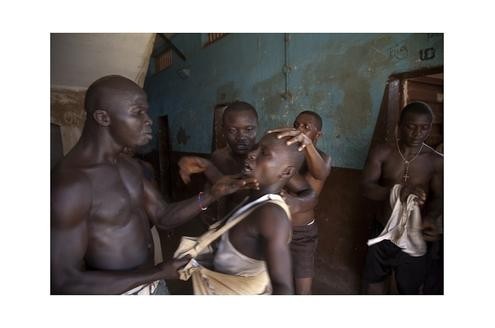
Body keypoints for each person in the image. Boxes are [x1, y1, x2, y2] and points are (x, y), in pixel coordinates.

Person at [50, 75, 257, 295]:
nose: (148, 120)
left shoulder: (130, 167)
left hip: (154, 285)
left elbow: (163, 216)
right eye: (138, 112)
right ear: (103, 117)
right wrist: (157, 272)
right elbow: (63, 281)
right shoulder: (71, 183)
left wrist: (212, 194)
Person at [176, 132, 305, 294]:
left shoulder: (271, 215)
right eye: (256, 148)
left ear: (286, 172)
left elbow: (283, 287)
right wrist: (207, 166)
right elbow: (226, 184)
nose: (251, 154)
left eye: (264, 154)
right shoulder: (253, 197)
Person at [361, 101, 443, 294]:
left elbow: (440, 197)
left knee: (410, 288)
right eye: (411, 126)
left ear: (430, 128)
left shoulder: (436, 161)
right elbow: (366, 188)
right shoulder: (383, 152)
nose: (417, 134)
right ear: (399, 125)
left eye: (424, 128)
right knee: (374, 281)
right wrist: (396, 191)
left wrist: (431, 217)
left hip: (414, 233)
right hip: (382, 229)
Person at [268, 110, 332, 294]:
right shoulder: (287, 154)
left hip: (302, 233)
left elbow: (320, 174)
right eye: (297, 125)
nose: (299, 130)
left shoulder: (323, 158)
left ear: (318, 135)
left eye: (306, 127)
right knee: (272, 286)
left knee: (302, 291)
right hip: (276, 228)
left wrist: (308, 145)